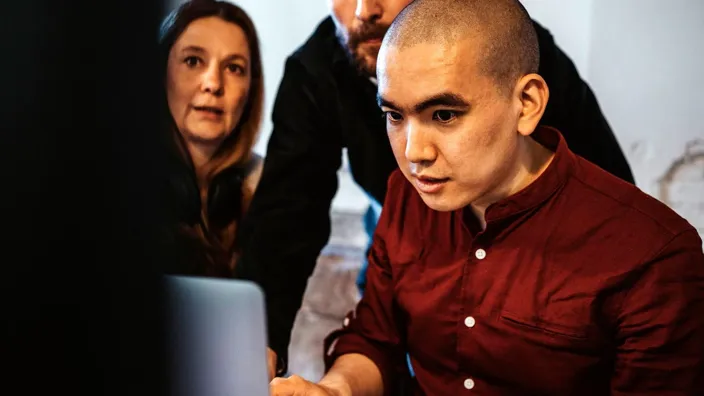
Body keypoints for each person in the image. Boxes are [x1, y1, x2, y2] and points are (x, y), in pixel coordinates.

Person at [268, 0, 704, 394]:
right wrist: (336, 388)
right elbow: (376, 335)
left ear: (527, 104)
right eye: (394, 115)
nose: (414, 153)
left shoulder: (655, 257)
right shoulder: (405, 197)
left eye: (444, 114)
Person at [157, 0, 279, 379]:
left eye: (234, 68)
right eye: (193, 61)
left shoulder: (268, 188)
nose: (214, 83)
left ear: (251, 89)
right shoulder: (117, 180)